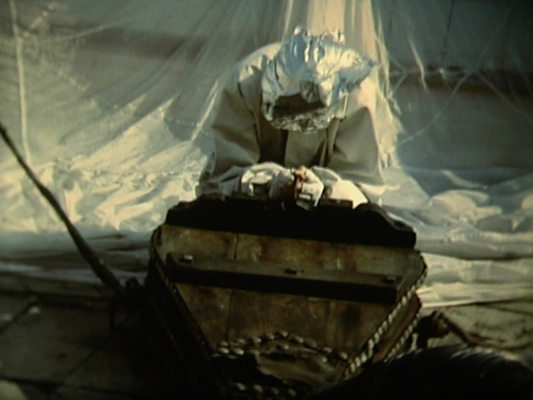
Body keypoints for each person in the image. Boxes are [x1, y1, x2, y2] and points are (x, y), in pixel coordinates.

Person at [197, 27, 384, 209]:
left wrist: (326, 190)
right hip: (249, 213)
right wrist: (271, 184)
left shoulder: (357, 97)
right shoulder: (245, 84)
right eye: (289, 106)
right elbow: (224, 178)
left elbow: (362, 191)